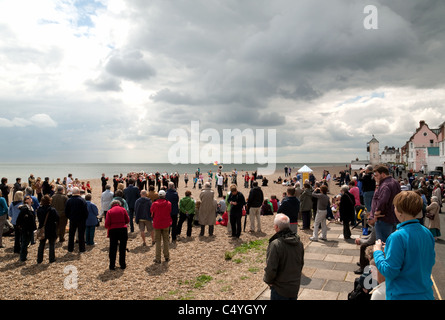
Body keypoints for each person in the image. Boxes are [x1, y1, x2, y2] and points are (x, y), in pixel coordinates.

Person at [373, 191, 435, 300]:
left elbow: (389, 271)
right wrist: (390, 248)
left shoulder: (397, 237)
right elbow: (427, 260)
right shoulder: (427, 233)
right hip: (426, 294)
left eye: (395, 207)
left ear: (401, 212)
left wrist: (377, 252)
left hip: (402, 295)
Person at [263, 213, 304, 300]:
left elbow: (271, 267)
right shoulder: (299, 243)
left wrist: (268, 281)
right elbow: (301, 263)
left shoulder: (276, 244)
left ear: (276, 227)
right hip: (294, 286)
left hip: (280, 289)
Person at [370, 165, 401, 243]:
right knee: (391, 242)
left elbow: (383, 201)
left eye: (376, 175)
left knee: (382, 243)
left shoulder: (385, 185)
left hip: (384, 219)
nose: (375, 177)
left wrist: (377, 212)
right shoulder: (395, 182)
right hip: (393, 217)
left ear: (383, 174)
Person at [105, 200, 130, 270]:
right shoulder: (123, 209)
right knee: (122, 248)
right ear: (119, 204)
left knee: (113, 248)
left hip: (113, 230)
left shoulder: (109, 211)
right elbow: (127, 220)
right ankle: (122, 264)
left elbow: (107, 224)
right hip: (122, 229)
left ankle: (112, 265)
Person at [150, 190, 172, 263]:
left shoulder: (154, 204)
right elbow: (169, 211)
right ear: (165, 196)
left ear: (158, 196)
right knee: (166, 240)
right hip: (166, 223)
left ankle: (158, 258)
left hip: (157, 224)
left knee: (158, 241)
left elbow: (151, 211)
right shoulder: (168, 203)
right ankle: (167, 256)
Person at [36, 195, 59, 263]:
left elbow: (39, 218)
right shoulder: (52, 210)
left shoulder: (39, 209)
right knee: (51, 244)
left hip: (42, 228)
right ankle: (51, 258)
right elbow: (57, 218)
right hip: (51, 228)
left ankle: (39, 259)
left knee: (41, 244)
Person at [65, 187, 88, 253]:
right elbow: (85, 211)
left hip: (72, 219)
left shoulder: (69, 200)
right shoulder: (82, 200)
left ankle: (70, 248)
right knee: (81, 235)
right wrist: (84, 218)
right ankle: (82, 249)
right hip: (81, 220)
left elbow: (66, 211)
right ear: (79, 192)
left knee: (71, 235)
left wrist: (69, 217)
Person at [15, 195, 36, 261]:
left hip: (30, 228)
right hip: (25, 228)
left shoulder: (31, 208)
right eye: (28, 198)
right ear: (25, 200)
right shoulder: (24, 209)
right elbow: (19, 219)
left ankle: (24, 255)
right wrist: (21, 227)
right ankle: (23, 257)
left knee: (27, 242)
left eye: (30, 198)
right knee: (24, 242)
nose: (30, 199)